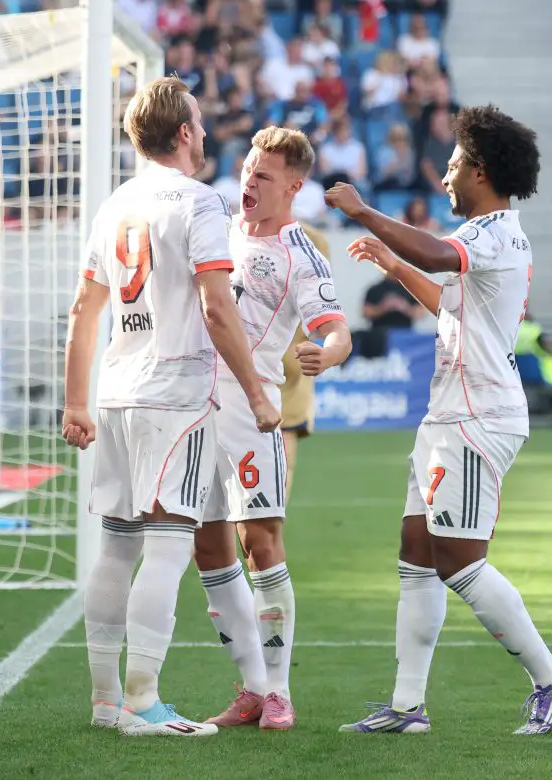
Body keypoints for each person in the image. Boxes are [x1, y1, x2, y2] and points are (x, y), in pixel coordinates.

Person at [324, 104, 552, 735]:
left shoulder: (492, 233)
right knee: (417, 557)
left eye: (453, 165)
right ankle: (407, 707)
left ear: (481, 171)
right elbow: (448, 298)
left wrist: (364, 212)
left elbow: (440, 255)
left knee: (460, 561)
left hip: (477, 415)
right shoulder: (487, 237)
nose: (444, 177)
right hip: (450, 413)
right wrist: (395, 268)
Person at [61, 76, 280, 737]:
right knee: (166, 545)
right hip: (176, 393)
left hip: (118, 391)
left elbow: (84, 310)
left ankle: (106, 700)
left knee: (116, 545)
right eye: (200, 123)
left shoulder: (115, 204)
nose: (205, 132)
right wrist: (256, 390)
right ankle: (143, 700)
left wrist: (76, 403)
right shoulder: (199, 201)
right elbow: (217, 307)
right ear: (183, 132)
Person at [195, 127, 352, 731]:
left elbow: (336, 329)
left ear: (293, 186)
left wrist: (328, 353)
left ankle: (280, 690)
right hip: (190, 401)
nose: (249, 182)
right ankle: (252, 686)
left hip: (251, 405)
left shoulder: (300, 253)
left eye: (263, 176)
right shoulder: (215, 225)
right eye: (247, 169)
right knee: (206, 543)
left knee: (259, 540)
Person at [278, 222, 331, 498]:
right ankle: (273, 518)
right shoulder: (313, 238)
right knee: (283, 460)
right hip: (291, 356)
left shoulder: (239, 231)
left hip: (262, 356)